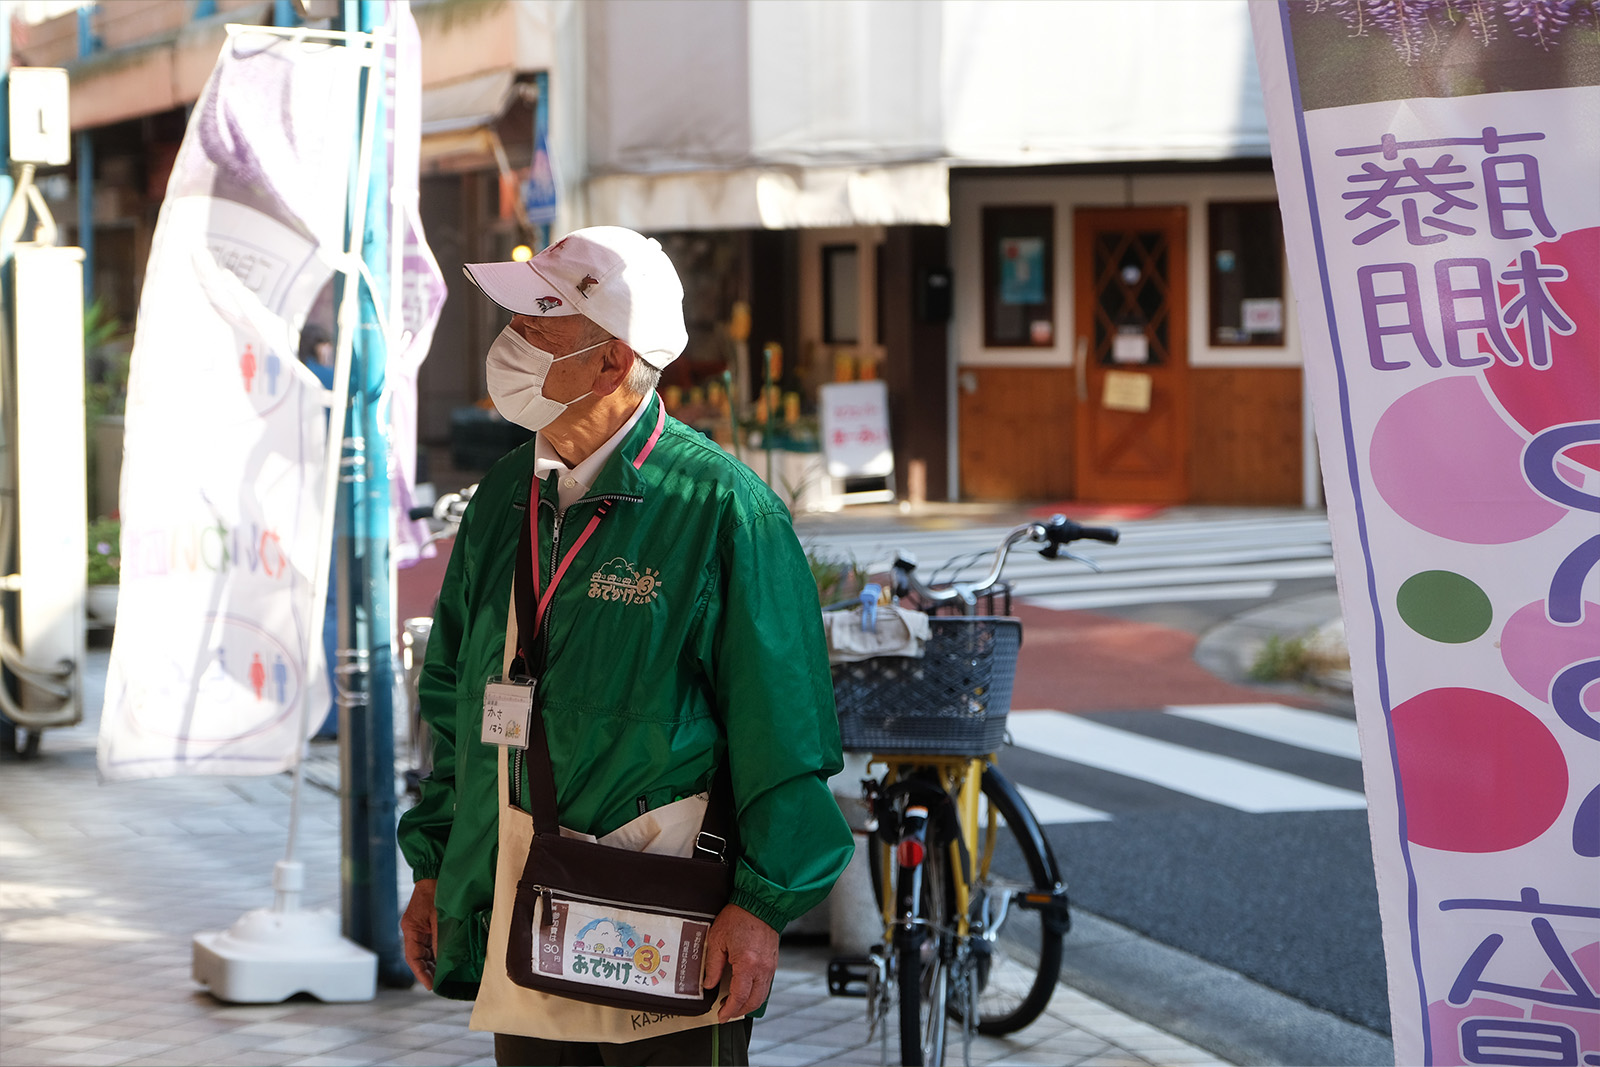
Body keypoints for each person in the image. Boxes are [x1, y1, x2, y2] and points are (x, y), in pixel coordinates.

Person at [397, 226, 853, 1067]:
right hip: (524, 902)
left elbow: (782, 734)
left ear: (613, 361)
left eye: (542, 323)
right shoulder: (504, 496)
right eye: (518, 319)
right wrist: (435, 864)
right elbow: (456, 701)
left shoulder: (722, 509)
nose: (511, 343)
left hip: (667, 921)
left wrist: (760, 905)